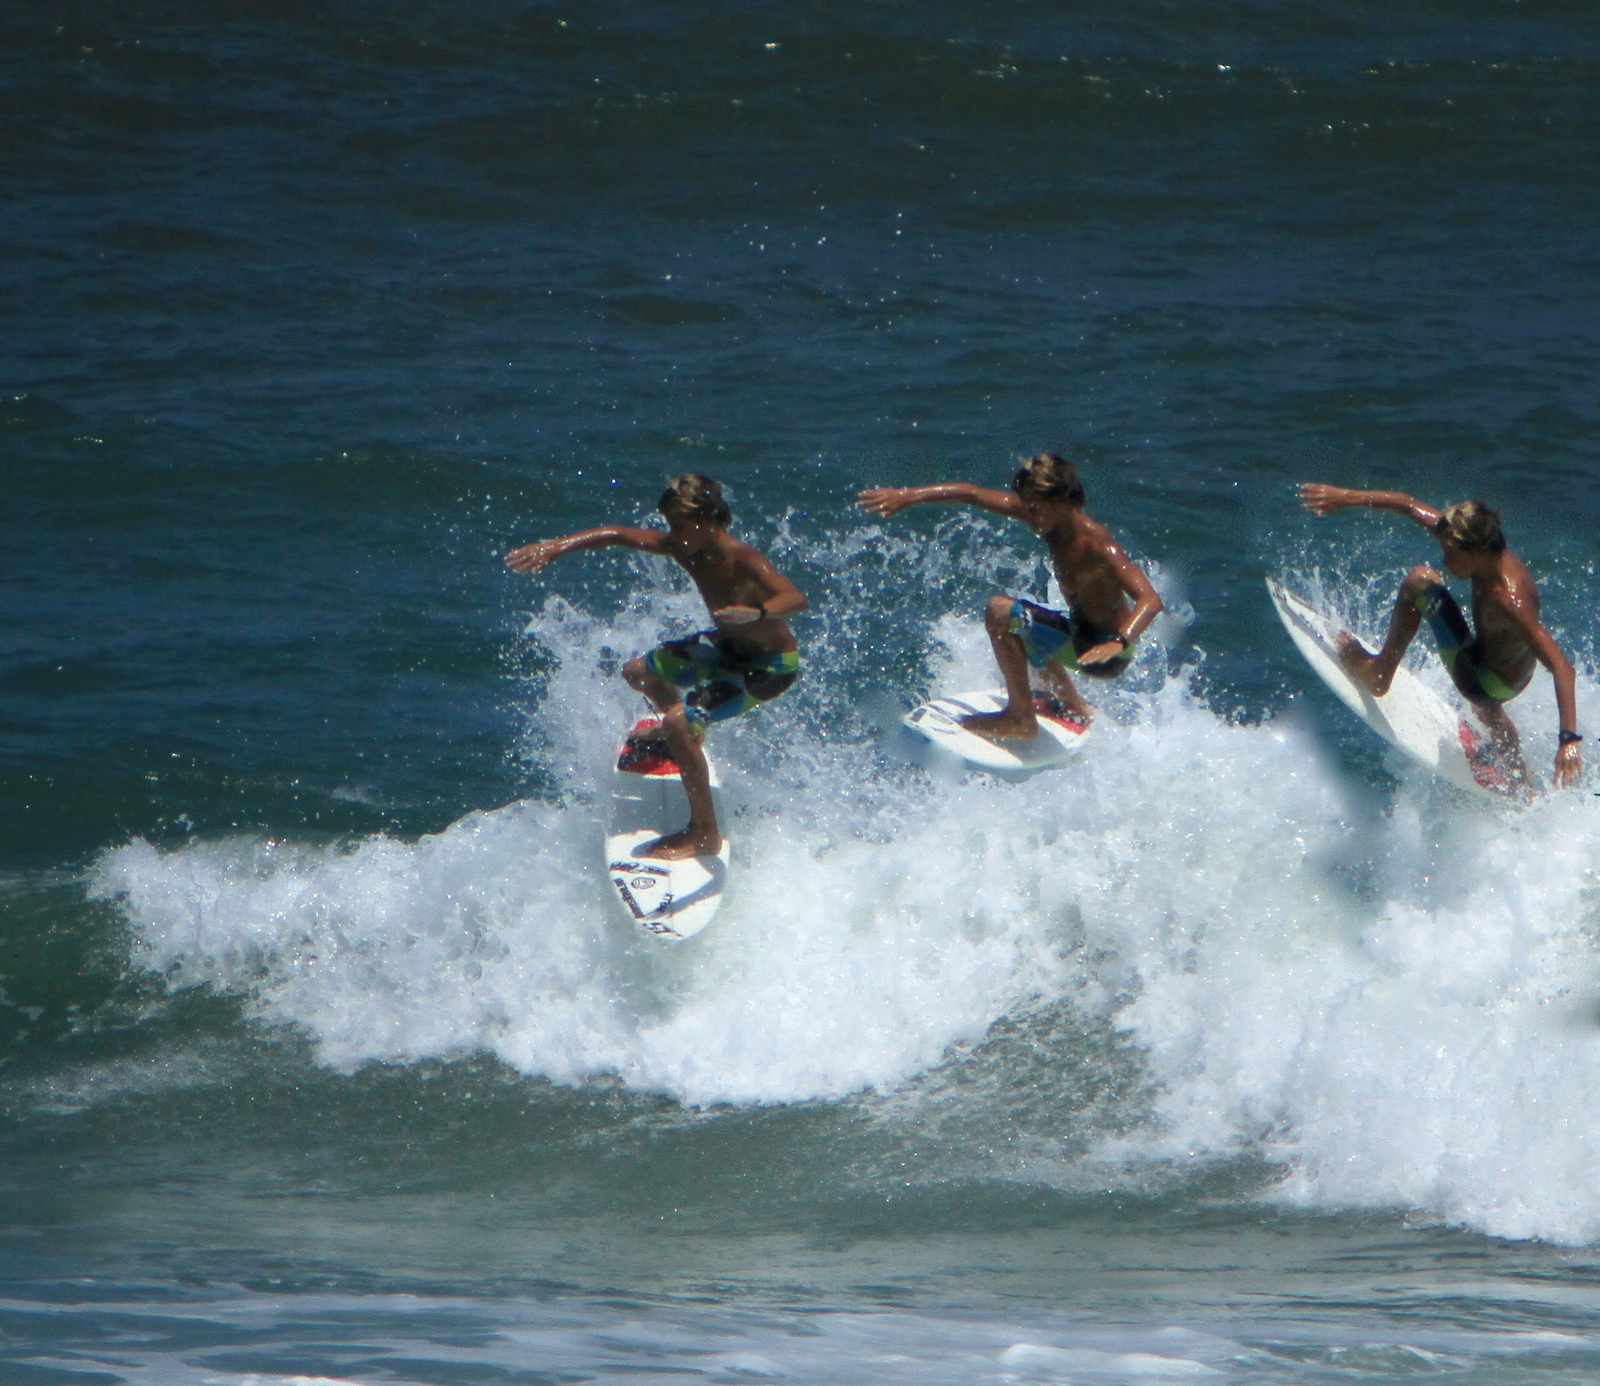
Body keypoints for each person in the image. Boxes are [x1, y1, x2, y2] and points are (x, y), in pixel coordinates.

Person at [505, 474, 806, 858]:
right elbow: (617, 533)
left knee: (678, 721)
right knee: (638, 672)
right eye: (670, 526)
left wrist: (757, 612)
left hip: (770, 665)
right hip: (730, 647)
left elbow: (796, 598)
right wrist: (556, 546)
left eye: (680, 525)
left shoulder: (743, 558)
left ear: (708, 521)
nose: (673, 534)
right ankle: (684, 737)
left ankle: (703, 835)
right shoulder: (684, 547)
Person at [859, 453, 1163, 738]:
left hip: (1106, 654)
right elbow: (971, 493)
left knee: (1001, 612)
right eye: (1026, 506)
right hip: (1081, 635)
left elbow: (1150, 600)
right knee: (1026, 620)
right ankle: (1073, 705)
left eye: (1035, 508)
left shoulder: (1097, 545)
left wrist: (1118, 642)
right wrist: (908, 496)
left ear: (1059, 501)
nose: (1028, 516)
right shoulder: (1052, 521)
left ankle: (1020, 719)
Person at [1300, 483, 1581, 789]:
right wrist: (1345, 498)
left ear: (1473, 551)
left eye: (1450, 553)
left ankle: (1378, 674)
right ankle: (1508, 749)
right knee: (1491, 659)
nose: (1445, 561)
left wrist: (1568, 740)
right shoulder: (1488, 550)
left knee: (1420, 580)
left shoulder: (1507, 599)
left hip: (1486, 683)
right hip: (1510, 674)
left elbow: (1562, 667)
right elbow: (1408, 505)